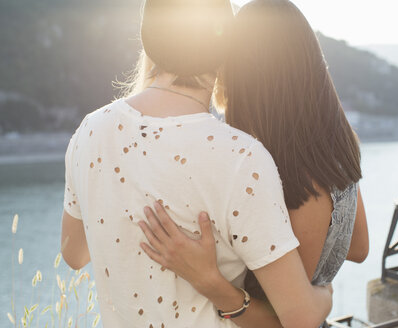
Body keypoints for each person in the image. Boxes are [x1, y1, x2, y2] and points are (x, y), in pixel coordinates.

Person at [60, 0, 334, 327]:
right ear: (224, 47)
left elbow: (73, 254)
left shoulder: (90, 130)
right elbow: (300, 319)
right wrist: (325, 293)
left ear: (150, 40)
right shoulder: (240, 157)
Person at [137, 0, 369, 327]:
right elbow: (359, 248)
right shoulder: (340, 146)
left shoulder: (283, 174)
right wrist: (320, 289)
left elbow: (285, 318)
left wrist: (211, 282)